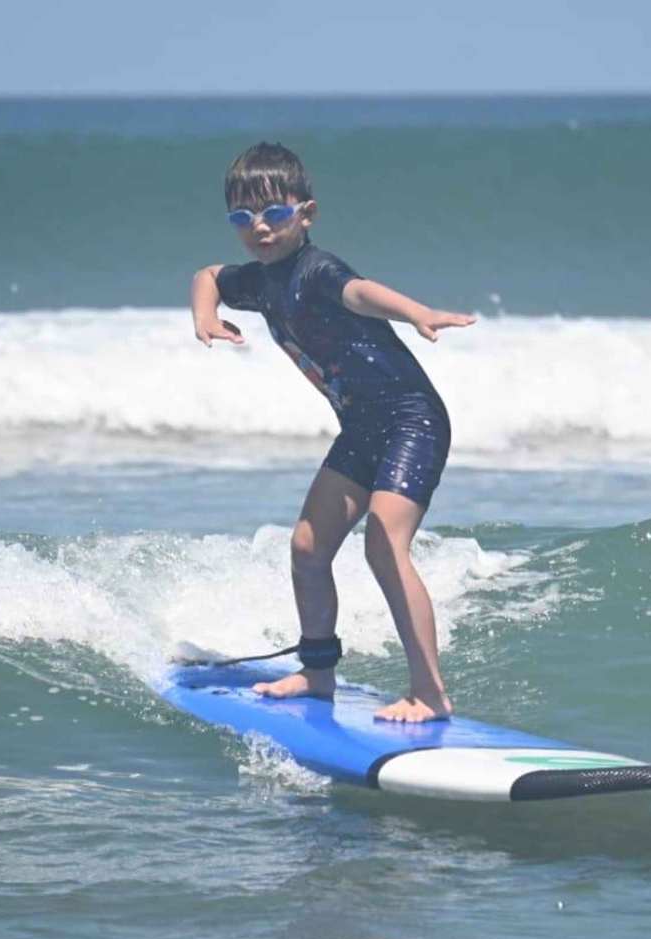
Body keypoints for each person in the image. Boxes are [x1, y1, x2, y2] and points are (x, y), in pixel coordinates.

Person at [189, 142, 475, 723]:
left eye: (274, 212)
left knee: (383, 545)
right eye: (243, 216)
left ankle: (429, 694)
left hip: (411, 420)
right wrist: (205, 315)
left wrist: (415, 312)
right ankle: (317, 674)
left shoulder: (317, 271)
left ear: (307, 214)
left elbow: (360, 293)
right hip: (361, 428)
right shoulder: (260, 282)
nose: (259, 226)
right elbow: (208, 276)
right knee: (307, 548)